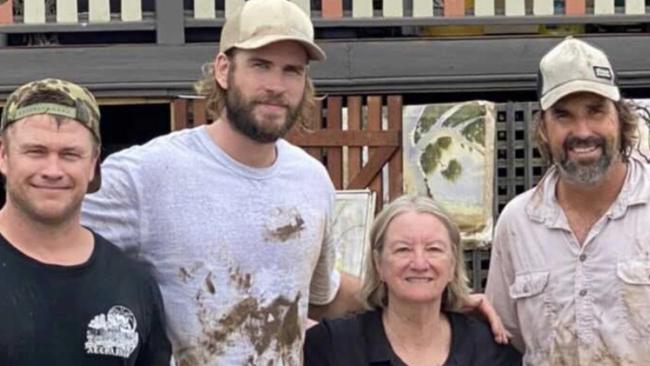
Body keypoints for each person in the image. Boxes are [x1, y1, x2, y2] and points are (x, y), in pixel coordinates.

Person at [82, 0, 506, 364]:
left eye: (292, 71)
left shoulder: (309, 179)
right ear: (224, 69)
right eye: (261, 65)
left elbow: (324, 295)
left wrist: (433, 297)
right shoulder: (147, 174)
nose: (276, 86)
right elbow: (44, 249)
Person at [485, 37, 650, 366]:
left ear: (620, 117)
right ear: (543, 128)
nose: (583, 131)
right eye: (564, 116)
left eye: (596, 111)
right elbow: (506, 338)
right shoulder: (517, 222)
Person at [0, 78, 171, 365]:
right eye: (36, 152)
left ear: (93, 164)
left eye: (70, 154)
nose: (53, 170)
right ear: (4, 156)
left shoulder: (132, 284)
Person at [304, 195, 521, 366]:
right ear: (378, 264)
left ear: (453, 264)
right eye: (403, 249)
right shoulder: (330, 348)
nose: (419, 263)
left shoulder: (490, 353)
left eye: (433, 249)